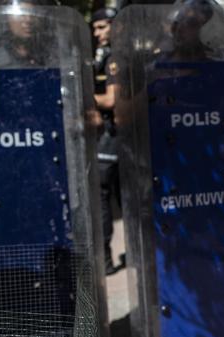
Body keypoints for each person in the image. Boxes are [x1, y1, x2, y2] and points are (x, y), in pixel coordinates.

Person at [91, 7, 122, 275]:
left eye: (102, 27)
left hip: (115, 137)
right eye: (95, 28)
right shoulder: (104, 54)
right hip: (115, 137)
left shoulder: (116, 55)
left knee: (102, 195)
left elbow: (112, 100)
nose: (97, 33)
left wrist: (82, 97)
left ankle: (106, 260)